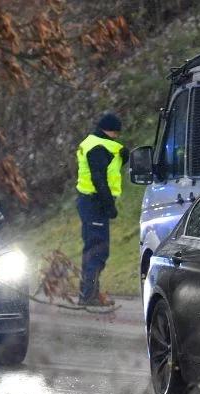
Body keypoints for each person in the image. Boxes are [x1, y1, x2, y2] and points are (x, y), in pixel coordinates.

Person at [75, 113, 127, 306]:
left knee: (95, 248)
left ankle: (90, 293)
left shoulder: (94, 143)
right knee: (97, 249)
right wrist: (109, 205)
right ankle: (89, 295)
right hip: (95, 203)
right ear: (112, 130)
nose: (117, 137)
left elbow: (108, 169)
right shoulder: (97, 147)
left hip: (90, 203)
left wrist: (123, 158)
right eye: (116, 133)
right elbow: (99, 179)